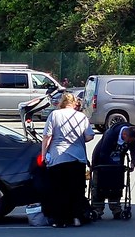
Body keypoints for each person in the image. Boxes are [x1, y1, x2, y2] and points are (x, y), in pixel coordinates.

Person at [40, 91, 95, 228]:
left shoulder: (55, 115)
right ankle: (77, 218)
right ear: (75, 103)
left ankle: (61, 220)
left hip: (58, 157)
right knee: (76, 189)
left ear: (62, 103)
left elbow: (47, 136)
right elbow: (89, 136)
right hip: (78, 157)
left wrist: (43, 154)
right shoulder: (82, 117)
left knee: (59, 189)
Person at [90, 123, 135, 219]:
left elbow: (134, 150)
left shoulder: (132, 134)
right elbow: (103, 152)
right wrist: (105, 166)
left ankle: (116, 209)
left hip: (117, 163)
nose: (129, 143)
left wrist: (133, 162)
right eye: (128, 140)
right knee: (100, 185)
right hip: (102, 160)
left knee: (116, 185)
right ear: (124, 135)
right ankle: (97, 209)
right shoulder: (111, 134)